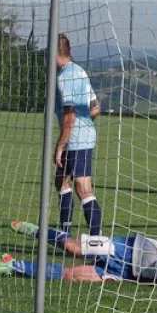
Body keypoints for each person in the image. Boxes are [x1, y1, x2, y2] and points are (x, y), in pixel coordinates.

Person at [0, 220, 157, 292]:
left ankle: (13, 265)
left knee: (69, 276)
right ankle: (36, 230)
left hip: (125, 272)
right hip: (125, 248)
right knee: (72, 248)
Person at [54, 33, 103, 235]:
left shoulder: (65, 76)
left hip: (76, 139)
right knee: (61, 181)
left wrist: (60, 145)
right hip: (79, 135)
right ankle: (66, 233)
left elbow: (70, 116)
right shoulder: (79, 71)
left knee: (83, 187)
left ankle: (96, 240)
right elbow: (96, 108)